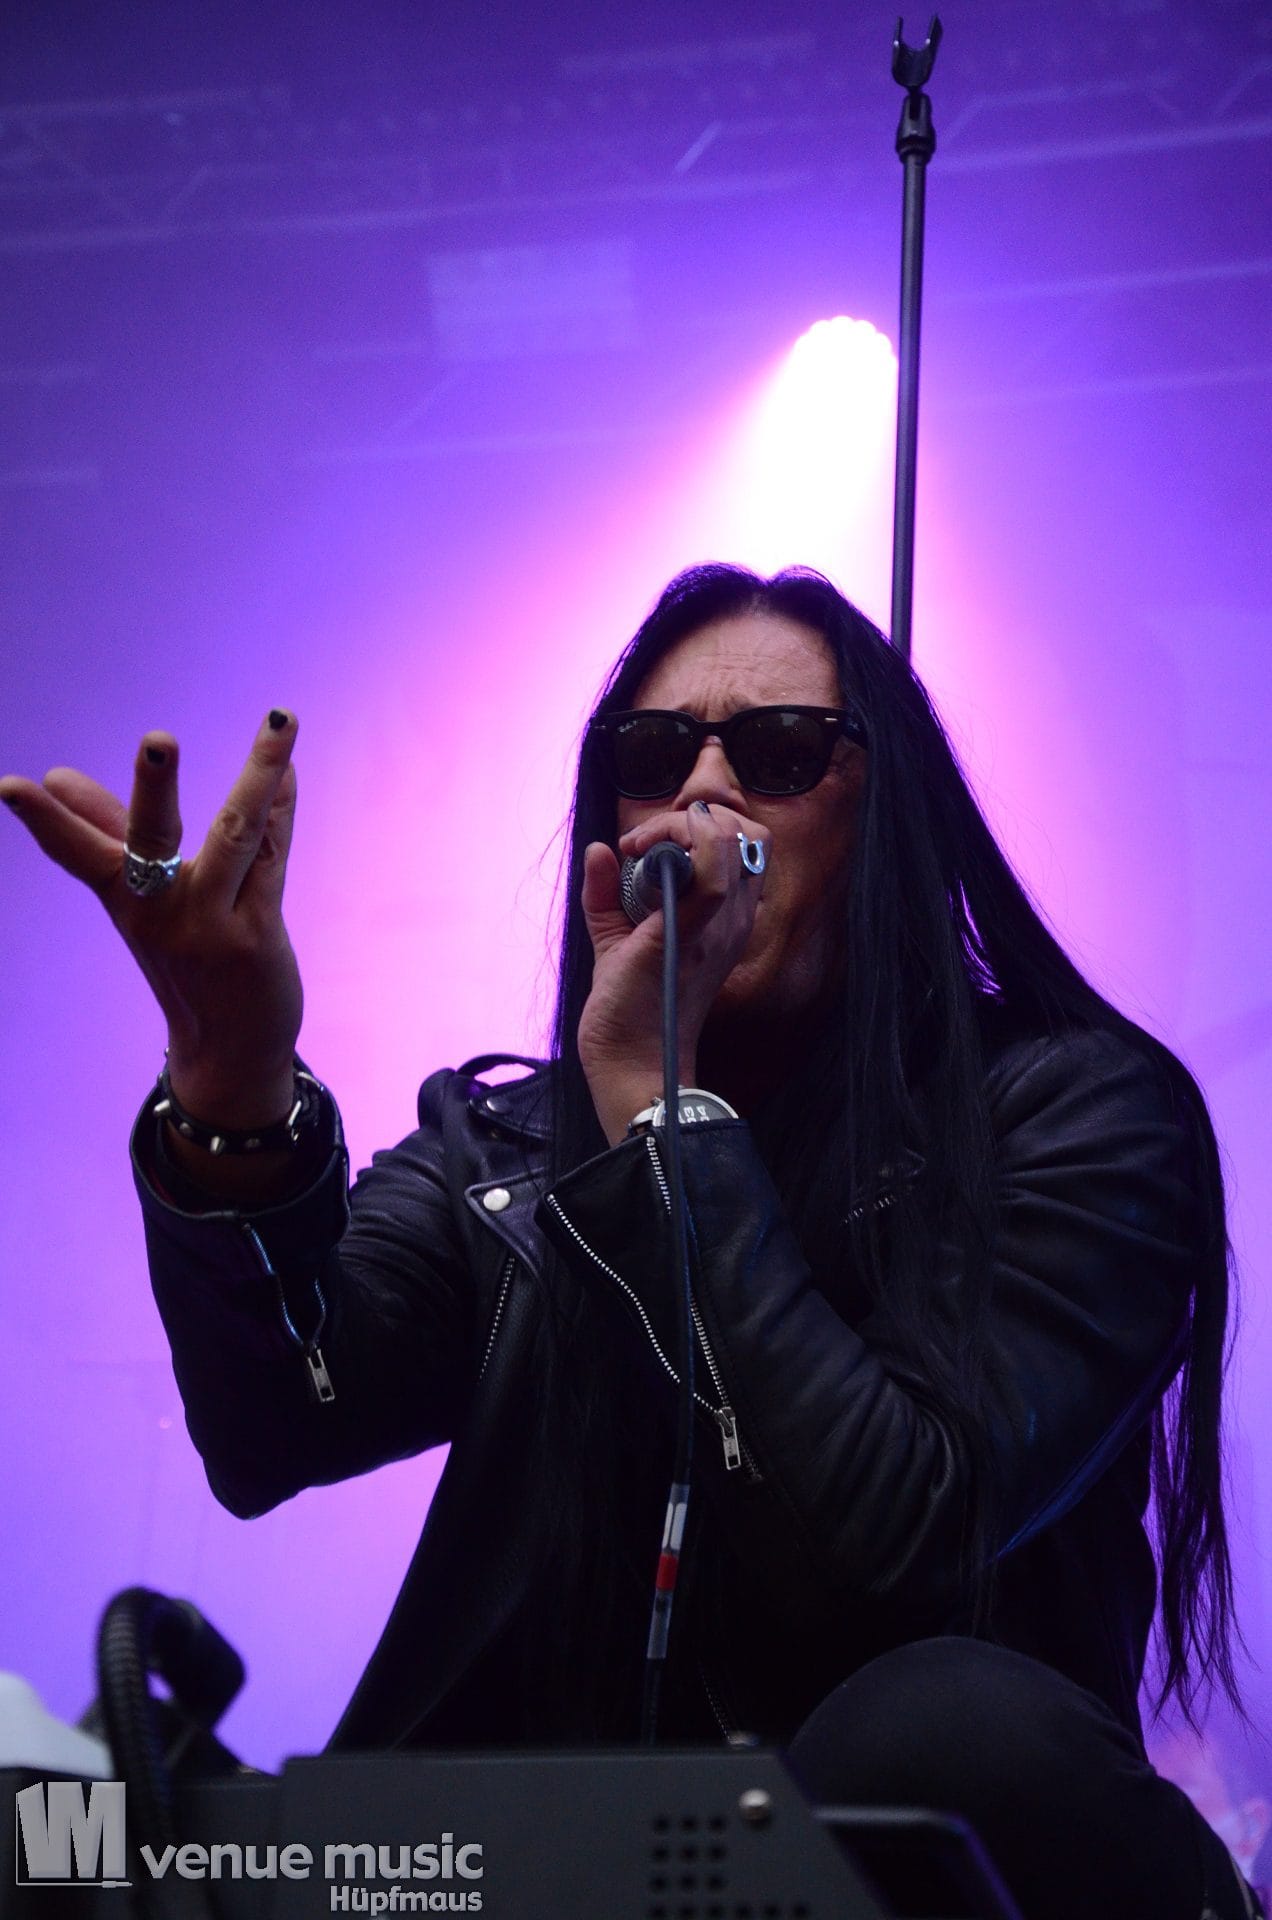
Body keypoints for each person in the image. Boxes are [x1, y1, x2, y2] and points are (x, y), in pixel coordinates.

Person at [1, 563, 1260, 1920]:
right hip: (512, 1873)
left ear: (886, 812)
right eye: (654, 755)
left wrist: (660, 1110)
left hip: (911, 1849)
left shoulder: (1078, 1118)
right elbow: (270, 1425)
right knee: (46, 1827)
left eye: (780, 752)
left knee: (946, 1728)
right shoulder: (510, 1155)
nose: (703, 793)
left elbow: (885, 1547)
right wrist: (232, 1074)